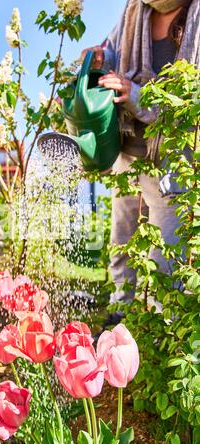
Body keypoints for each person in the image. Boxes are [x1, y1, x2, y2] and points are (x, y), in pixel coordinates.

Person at [81, 0, 200, 328]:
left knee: (166, 252)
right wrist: (101, 56)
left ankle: (165, 331)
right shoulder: (136, 10)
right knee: (123, 239)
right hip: (129, 148)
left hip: (172, 156)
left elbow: (192, 98)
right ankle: (119, 318)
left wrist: (134, 92)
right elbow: (113, 48)